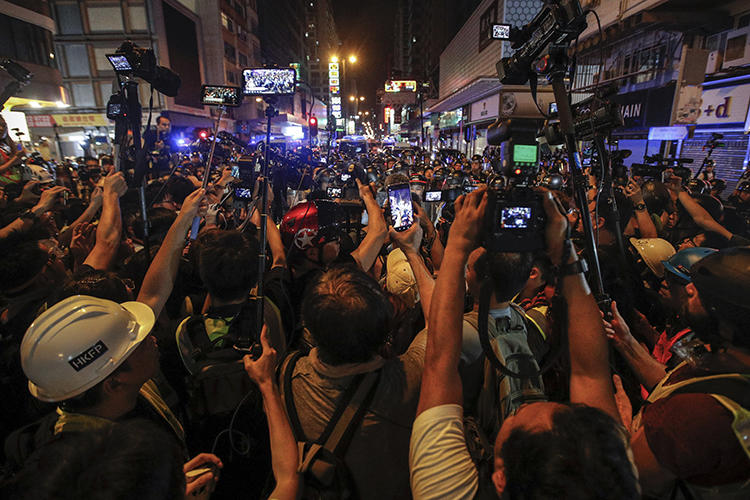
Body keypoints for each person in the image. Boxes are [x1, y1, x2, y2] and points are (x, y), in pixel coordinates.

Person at [409, 187, 639, 499]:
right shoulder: (603, 473)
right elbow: (590, 374)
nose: (531, 403)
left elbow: (438, 363)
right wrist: (565, 250)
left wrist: (457, 245)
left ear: (501, 478)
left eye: (516, 418)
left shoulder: (450, 493)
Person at [605, 247, 750, 498]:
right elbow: (669, 383)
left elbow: (628, 479)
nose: (690, 288)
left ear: (728, 325)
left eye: (705, 295)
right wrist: (626, 342)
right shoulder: (723, 357)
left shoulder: (696, 416)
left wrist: (620, 426)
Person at [281, 265, 427, 500]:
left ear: (309, 328)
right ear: (383, 328)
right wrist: (412, 252)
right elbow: (437, 326)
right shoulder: (409, 378)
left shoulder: (285, 375)